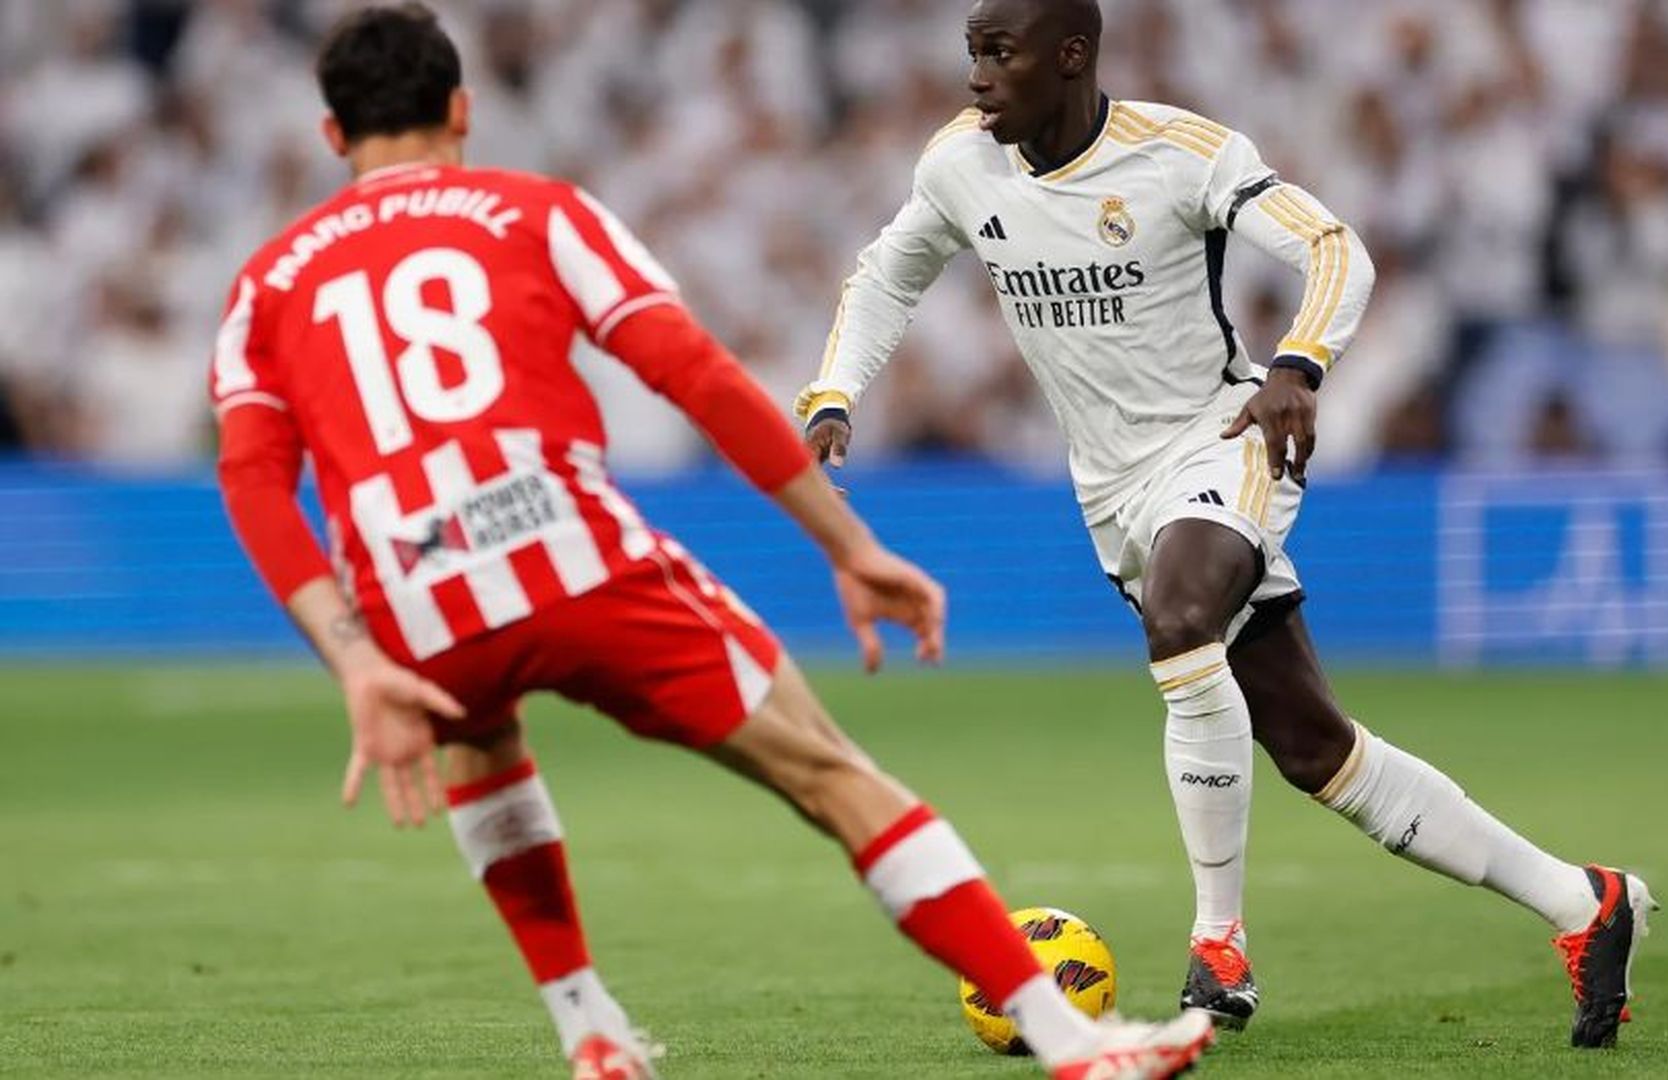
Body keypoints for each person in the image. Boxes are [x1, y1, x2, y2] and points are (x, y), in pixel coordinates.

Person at [208, 5, 1215, 1078]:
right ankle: (1071, 1042)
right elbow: (692, 373)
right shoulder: (537, 213)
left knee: (482, 744)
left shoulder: (265, 283)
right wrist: (848, 545)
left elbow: (253, 481)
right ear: (461, 110)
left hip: (416, 605)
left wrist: (356, 657)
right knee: (829, 770)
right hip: (572, 556)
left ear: (331, 136)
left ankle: (588, 1026)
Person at [796, 0, 1655, 1049]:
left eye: (998, 52)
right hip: (1112, 491)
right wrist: (834, 390)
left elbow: (1336, 249)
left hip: (1227, 437)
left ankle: (1219, 945)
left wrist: (1298, 366)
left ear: (1070, 56)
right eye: (971, 51)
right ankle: (1585, 903)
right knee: (1314, 751)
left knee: (1181, 613)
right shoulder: (961, 166)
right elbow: (890, 272)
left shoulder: (1180, 154)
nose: (975, 77)